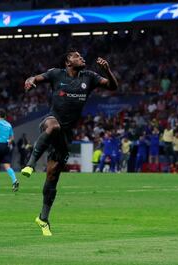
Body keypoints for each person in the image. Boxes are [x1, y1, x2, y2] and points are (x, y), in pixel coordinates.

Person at [21, 49, 118, 236]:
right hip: (50, 120)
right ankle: (30, 164)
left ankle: (43, 218)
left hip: (66, 135)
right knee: (53, 126)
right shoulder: (56, 74)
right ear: (68, 62)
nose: (81, 57)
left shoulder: (89, 77)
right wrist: (30, 81)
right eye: (76, 56)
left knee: (52, 176)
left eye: (81, 55)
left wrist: (107, 70)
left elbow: (112, 87)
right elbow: (34, 77)